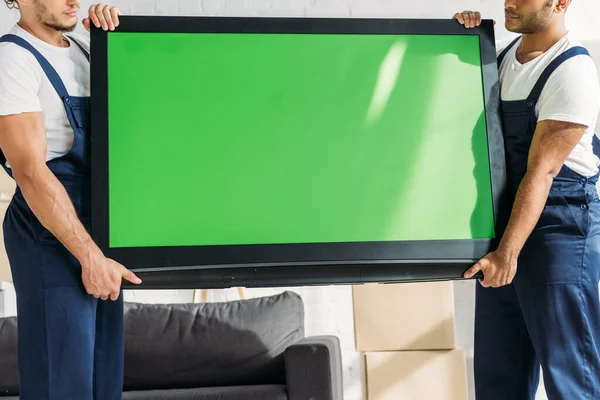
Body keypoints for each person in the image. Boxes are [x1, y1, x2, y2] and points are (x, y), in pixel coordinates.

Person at [455, 1, 600, 399]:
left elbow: (543, 172)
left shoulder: (572, 70)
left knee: (571, 376)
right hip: (507, 231)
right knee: (498, 375)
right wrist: (460, 41)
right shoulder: (500, 59)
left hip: (559, 232)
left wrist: (508, 252)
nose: (509, 2)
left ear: (560, 3)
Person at [0, 1, 142, 398]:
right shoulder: (12, 59)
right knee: (62, 381)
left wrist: (117, 38)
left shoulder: (84, 48)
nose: (73, 1)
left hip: (98, 230)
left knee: (102, 382)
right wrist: (89, 256)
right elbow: (30, 172)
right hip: (50, 232)